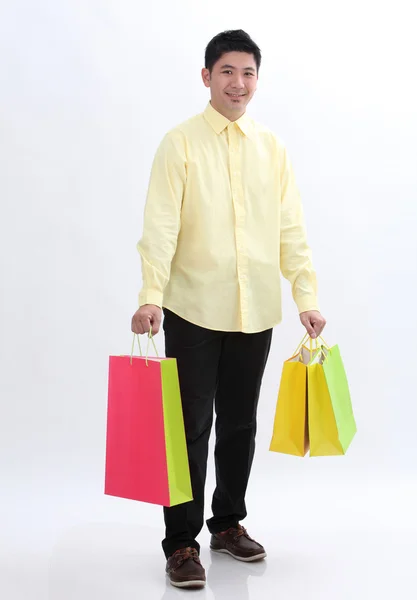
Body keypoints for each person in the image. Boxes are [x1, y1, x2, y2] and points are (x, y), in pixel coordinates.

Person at [131, 29, 326, 589]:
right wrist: (151, 294)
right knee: (188, 428)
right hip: (192, 305)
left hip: (256, 308)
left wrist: (305, 297)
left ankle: (227, 524)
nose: (238, 83)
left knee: (239, 425)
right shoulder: (180, 143)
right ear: (206, 77)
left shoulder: (272, 147)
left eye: (247, 73)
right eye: (227, 72)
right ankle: (181, 543)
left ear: (256, 80)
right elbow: (160, 225)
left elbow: (291, 227)